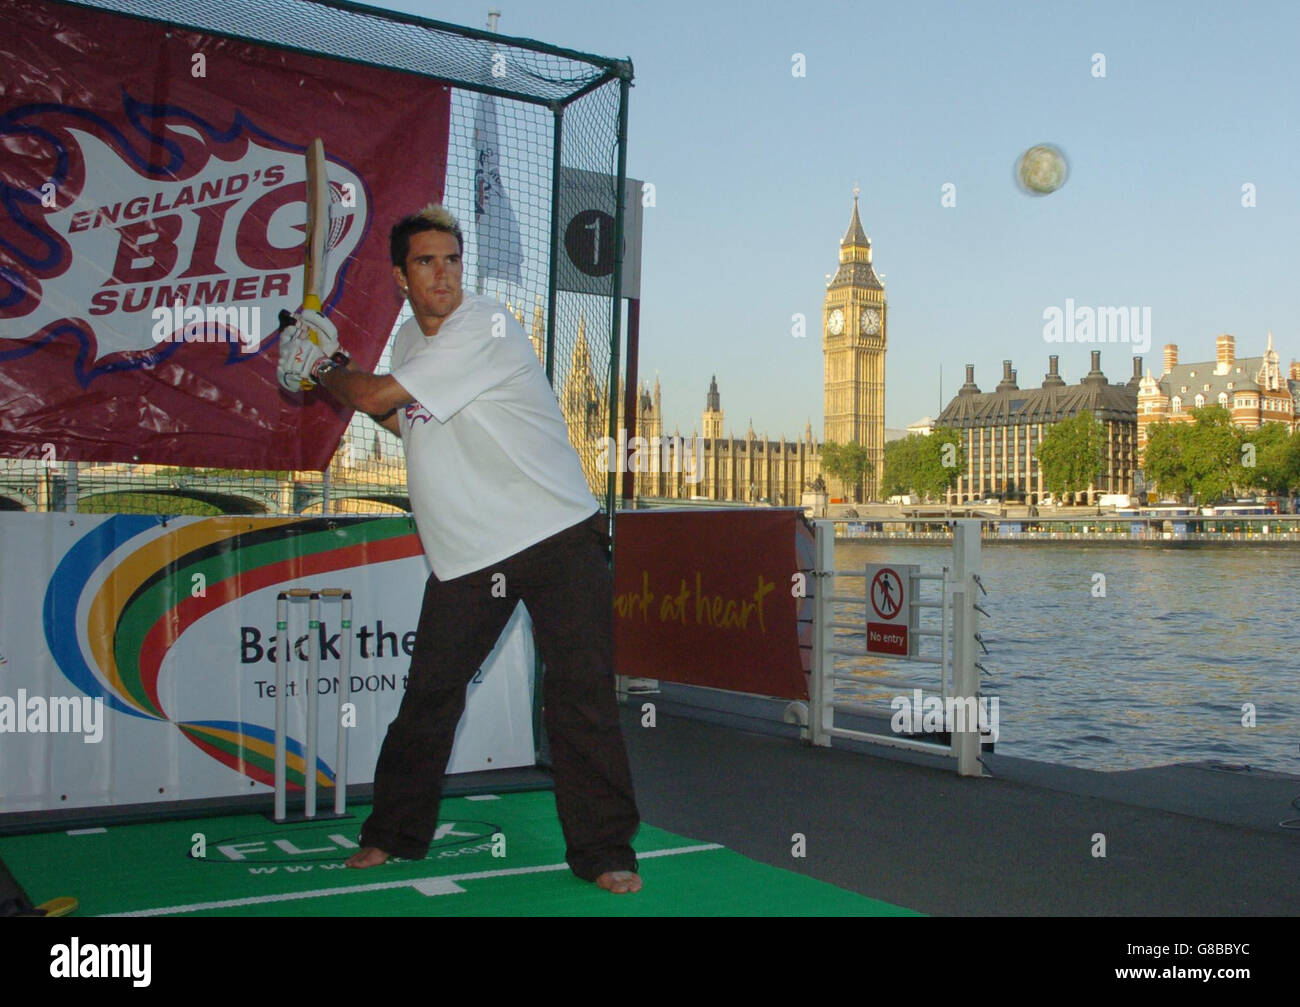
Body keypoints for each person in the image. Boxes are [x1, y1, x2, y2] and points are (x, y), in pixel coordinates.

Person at [277, 204, 641, 894]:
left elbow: (379, 393)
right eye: (425, 262)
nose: (442, 274)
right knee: (429, 696)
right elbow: (398, 414)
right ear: (400, 277)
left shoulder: (488, 323)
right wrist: (339, 368)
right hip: (473, 553)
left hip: (558, 532)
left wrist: (324, 366)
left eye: (451, 259)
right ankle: (392, 834)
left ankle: (605, 850)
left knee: (579, 697)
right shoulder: (414, 345)